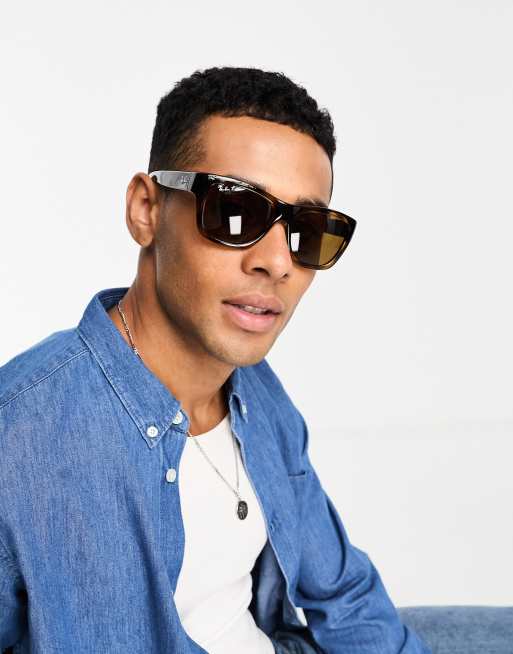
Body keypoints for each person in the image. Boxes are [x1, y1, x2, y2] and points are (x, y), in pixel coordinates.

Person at [0, 67, 431, 653]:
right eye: (236, 213)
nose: (277, 262)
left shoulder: (259, 394)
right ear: (147, 210)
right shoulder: (22, 434)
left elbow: (344, 594)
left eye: (307, 231)